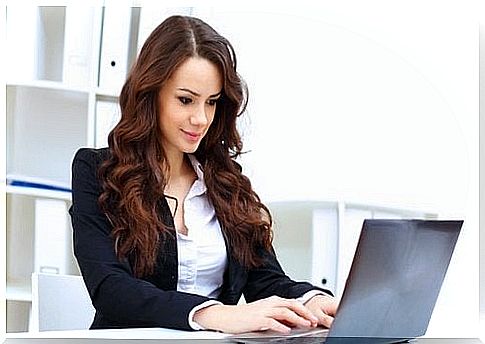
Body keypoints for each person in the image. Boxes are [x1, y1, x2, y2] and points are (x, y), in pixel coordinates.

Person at [69, 14, 338, 334]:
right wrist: (215, 314)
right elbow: (111, 289)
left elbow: (263, 278)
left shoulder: (225, 181)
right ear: (150, 93)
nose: (200, 118)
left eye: (211, 102)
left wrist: (309, 301)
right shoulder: (98, 171)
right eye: (186, 100)